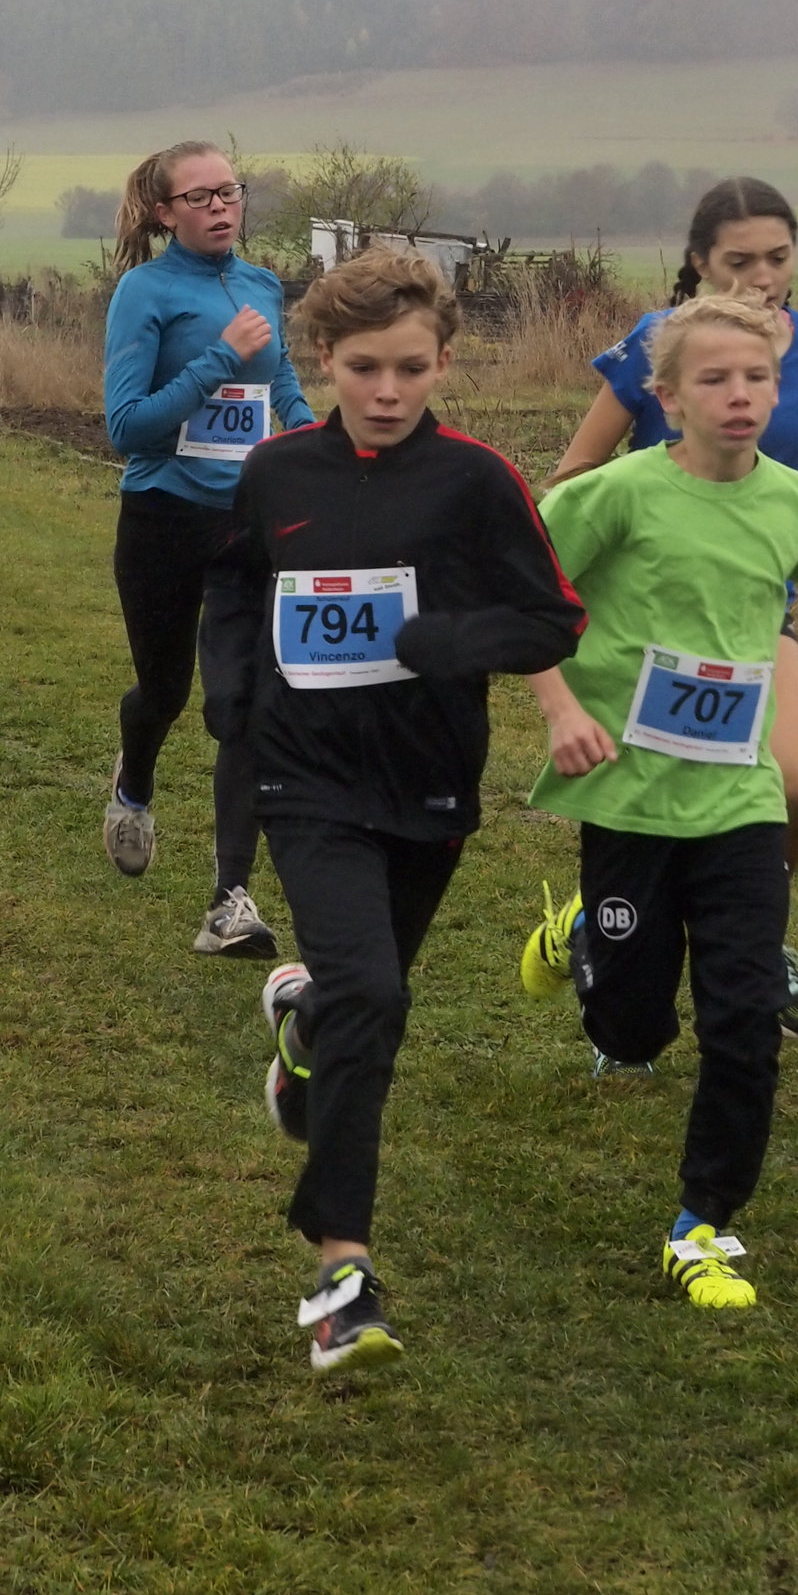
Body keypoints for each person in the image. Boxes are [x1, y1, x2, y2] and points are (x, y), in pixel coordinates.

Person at [199, 248, 584, 1372]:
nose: (386, 391)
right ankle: (343, 1278)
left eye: (411, 369)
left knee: (364, 999)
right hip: (304, 778)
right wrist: (231, 691)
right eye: (365, 367)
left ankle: (306, 1029)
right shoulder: (277, 472)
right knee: (375, 992)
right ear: (324, 357)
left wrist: (453, 641)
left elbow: (554, 619)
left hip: (427, 785)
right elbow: (237, 583)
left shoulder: (478, 481)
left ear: (444, 363)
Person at [518, 293, 798, 1311]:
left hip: (740, 797)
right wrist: (560, 707)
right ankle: (586, 932)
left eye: (757, 379)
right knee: (634, 1031)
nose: (740, 396)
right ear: (668, 397)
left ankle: (704, 1226)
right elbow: (523, 594)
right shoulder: (617, 494)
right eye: (715, 380)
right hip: (630, 796)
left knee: (744, 1015)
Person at [545, 175, 798, 1037]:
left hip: (755, 608)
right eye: (739, 261)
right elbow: (575, 470)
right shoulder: (660, 341)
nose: (762, 277)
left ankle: (760, 935)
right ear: (700, 263)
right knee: (655, 814)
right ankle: (604, 923)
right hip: (649, 615)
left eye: (778, 258)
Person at [102, 141, 316, 960]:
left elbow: (280, 383)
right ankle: (134, 781)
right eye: (201, 197)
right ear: (166, 212)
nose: (222, 206)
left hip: (246, 523)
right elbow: (127, 426)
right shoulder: (144, 292)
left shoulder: (262, 284)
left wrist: (313, 439)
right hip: (163, 515)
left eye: (231, 191)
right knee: (163, 692)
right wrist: (220, 356)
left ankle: (230, 900)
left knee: (246, 706)